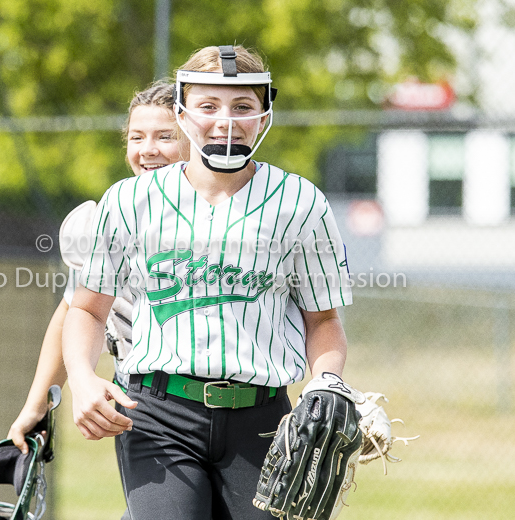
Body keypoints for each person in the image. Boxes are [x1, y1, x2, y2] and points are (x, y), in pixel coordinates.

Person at [61, 45, 353, 520]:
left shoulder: (301, 203)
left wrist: (326, 382)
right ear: (181, 113)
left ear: (264, 115)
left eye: (243, 106)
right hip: (159, 413)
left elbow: (323, 320)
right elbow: (87, 310)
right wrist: (81, 377)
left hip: (263, 420)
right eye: (208, 105)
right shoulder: (130, 200)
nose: (225, 120)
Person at [7, 80, 188, 453]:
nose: (147, 150)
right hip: (146, 405)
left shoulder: (237, 221)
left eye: (165, 137)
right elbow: (74, 311)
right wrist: (36, 407)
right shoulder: (108, 219)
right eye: (136, 138)